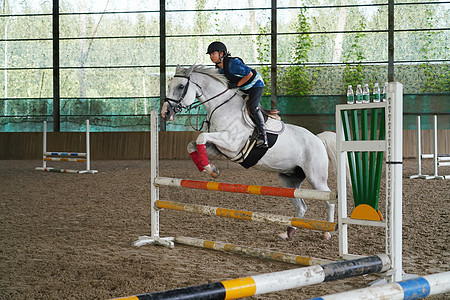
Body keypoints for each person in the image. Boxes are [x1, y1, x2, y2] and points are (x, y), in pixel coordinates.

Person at [206, 41, 268, 148]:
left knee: (253, 107)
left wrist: (237, 84)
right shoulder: (219, 68)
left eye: (213, 53)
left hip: (255, 85)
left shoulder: (232, 64)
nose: (211, 56)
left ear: (221, 54)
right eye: (210, 54)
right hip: (242, 87)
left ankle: (263, 136)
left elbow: (249, 74)